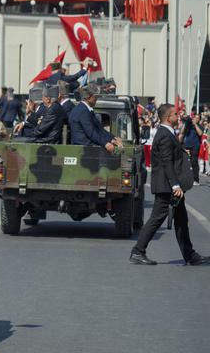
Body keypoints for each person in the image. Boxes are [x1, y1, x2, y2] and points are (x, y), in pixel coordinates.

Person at [130, 103, 207, 266]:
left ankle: (189, 255)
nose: (178, 116)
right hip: (166, 186)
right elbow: (166, 162)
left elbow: (171, 154)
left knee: (181, 220)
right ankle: (138, 251)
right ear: (167, 117)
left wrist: (181, 152)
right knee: (157, 218)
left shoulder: (167, 132)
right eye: (175, 114)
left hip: (169, 185)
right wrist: (175, 185)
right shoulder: (164, 134)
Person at [68, 84, 121, 152]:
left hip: (87, 148)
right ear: (89, 97)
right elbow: (91, 133)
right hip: (83, 149)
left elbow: (99, 128)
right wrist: (105, 143)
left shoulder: (86, 109)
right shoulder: (82, 111)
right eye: (95, 97)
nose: (96, 99)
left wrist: (112, 138)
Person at [180, 112, 202, 186]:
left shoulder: (199, 126)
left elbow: (200, 133)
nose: (196, 119)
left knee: (194, 162)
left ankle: (196, 180)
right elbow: (182, 132)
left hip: (195, 146)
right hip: (186, 146)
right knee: (186, 162)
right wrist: (185, 123)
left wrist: (195, 124)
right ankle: (187, 179)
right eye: (195, 118)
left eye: (198, 118)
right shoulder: (188, 125)